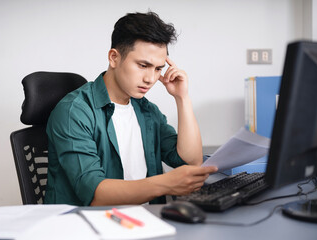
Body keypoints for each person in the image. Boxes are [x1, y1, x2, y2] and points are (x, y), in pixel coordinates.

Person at [44, 11, 218, 206]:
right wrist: (165, 184)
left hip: (144, 222)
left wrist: (182, 98)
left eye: (158, 68)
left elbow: (190, 161)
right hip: (89, 227)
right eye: (143, 65)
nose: (151, 79)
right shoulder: (74, 112)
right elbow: (94, 193)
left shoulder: (146, 110)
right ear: (113, 58)